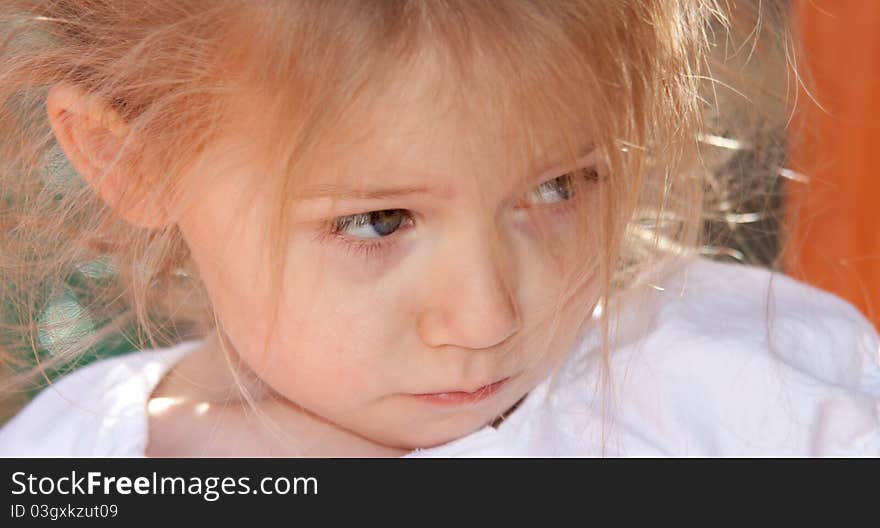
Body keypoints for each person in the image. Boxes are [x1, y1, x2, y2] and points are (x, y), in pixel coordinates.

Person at [0, 1, 877, 457]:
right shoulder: (69, 460)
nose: (489, 318)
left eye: (559, 186)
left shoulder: (748, 394)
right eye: (379, 222)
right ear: (132, 160)